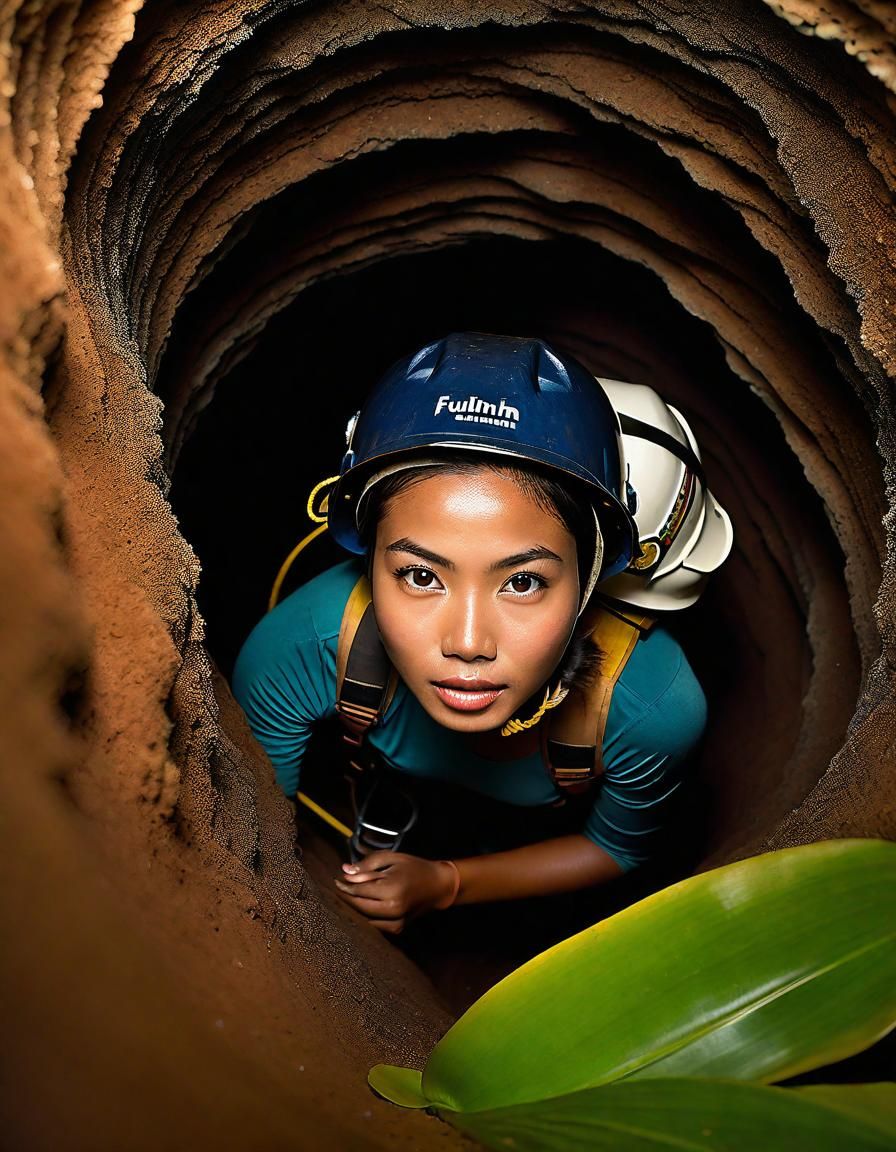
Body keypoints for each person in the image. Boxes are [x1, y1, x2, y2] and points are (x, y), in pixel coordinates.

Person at [232, 332, 726, 937]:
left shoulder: (650, 704)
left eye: (522, 582)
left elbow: (619, 848)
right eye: (419, 575)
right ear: (370, 560)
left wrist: (447, 884)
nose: (468, 642)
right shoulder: (308, 644)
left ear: (589, 580)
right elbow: (253, 830)